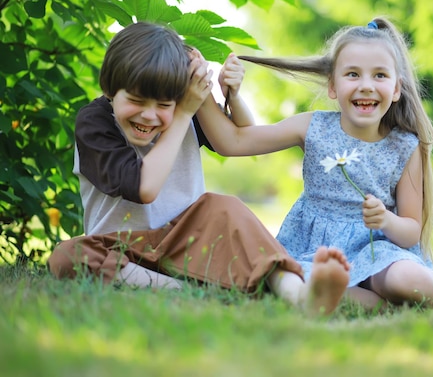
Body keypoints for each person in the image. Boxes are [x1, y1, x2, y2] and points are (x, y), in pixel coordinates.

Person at [47, 21, 350, 316]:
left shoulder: (185, 109)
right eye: (136, 101)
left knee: (225, 207)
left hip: (186, 241)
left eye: (164, 105)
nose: (149, 115)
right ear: (110, 89)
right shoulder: (95, 122)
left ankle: (298, 294)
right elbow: (145, 188)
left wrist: (229, 96)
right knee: (67, 256)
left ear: (179, 96)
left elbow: (240, 139)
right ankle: (181, 290)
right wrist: (182, 113)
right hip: (123, 251)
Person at [196, 17, 433, 312]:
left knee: (406, 277)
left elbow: (410, 230)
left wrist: (385, 220)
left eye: (380, 75)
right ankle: (379, 307)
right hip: (314, 251)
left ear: (397, 89)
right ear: (333, 86)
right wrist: (204, 91)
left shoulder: (405, 146)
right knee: (291, 283)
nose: (366, 86)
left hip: (377, 252)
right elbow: (234, 142)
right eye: (353, 74)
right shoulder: (313, 127)